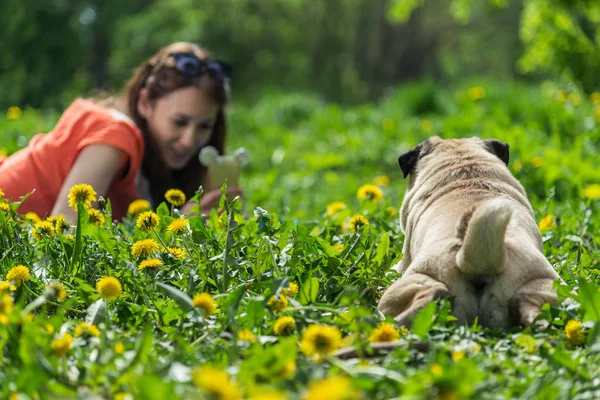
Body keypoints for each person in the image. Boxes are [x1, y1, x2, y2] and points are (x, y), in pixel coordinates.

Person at [0, 42, 242, 222]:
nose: (190, 140)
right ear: (145, 103)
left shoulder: (161, 169)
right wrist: (177, 229)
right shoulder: (114, 136)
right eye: (179, 122)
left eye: (204, 126)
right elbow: (64, 236)